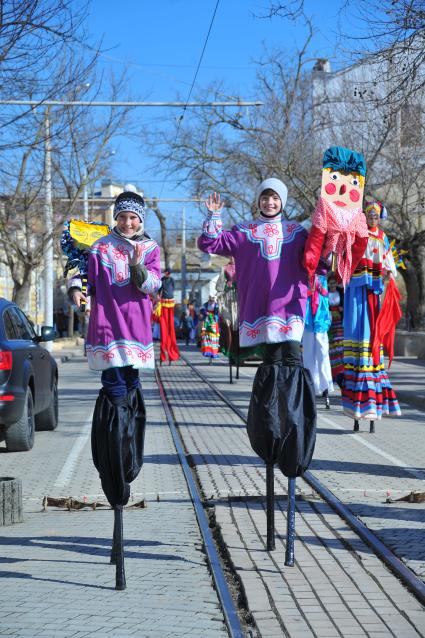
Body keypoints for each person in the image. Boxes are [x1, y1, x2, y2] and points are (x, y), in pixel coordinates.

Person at [69, 190, 161, 589]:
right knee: (114, 387)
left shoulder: (151, 248)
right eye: (123, 217)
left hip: (136, 327)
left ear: (141, 221)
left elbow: (155, 285)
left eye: (133, 219)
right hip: (107, 324)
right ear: (116, 218)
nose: (128, 224)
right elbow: (78, 269)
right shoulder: (101, 245)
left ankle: (127, 436)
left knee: (133, 382)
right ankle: (117, 430)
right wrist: (76, 289)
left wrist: (143, 273)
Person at [198, 179, 316, 479]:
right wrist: (214, 216)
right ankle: (273, 427)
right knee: (271, 364)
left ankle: (294, 422)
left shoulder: (296, 232)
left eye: (275, 198)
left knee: (291, 359)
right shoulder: (244, 232)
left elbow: (317, 258)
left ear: (283, 201)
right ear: (258, 201)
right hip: (260, 308)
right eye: (265, 197)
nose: (269, 203)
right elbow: (212, 244)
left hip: (290, 305)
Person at [341, 200, 401, 432]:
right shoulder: (356, 234)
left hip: (372, 295)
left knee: (370, 348)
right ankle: (356, 405)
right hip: (355, 293)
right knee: (356, 343)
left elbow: (390, 265)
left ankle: (370, 405)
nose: (372, 218)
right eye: (369, 215)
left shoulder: (382, 237)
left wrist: (388, 276)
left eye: (376, 215)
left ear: (380, 217)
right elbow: (343, 257)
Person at [302, 263, 333, 408]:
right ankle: (310, 386)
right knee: (308, 352)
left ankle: (325, 386)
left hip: (320, 310)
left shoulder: (324, 262)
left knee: (322, 351)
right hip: (307, 310)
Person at [158, 268, 180, 364]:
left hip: (170, 302)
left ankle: (171, 353)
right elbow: (159, 290)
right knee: (164, 328)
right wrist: (158, 297)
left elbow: (173, 288)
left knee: (170, 327)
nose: (167, 274)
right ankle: (163, 354)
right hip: (163, 303)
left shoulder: (172, 280)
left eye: (168, 273)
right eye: (166, 273)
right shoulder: (162, 280)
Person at [327, 274, 344, 384]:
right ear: (328, 284)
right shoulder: (326, 293)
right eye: (331, 283)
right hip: (330, 322)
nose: (333, 285)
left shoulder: (340, 293)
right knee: (332, 347)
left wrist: (342, 308)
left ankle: (342, 370)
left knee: (340, 345)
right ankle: (333, 372)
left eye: (334, 283)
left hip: (339, 321)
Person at [200, 295, 220, 360]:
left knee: (214, 336)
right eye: (211, 300)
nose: (212, 301)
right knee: (205, 335)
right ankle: (207, 350)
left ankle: (214, 352)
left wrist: (213, 316)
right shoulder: (205, 304)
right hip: (206, 321)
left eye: (213, 300)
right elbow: (202, 310)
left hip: (213, 322)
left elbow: (217, 312)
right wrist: (206, 313)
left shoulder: (216, 305)